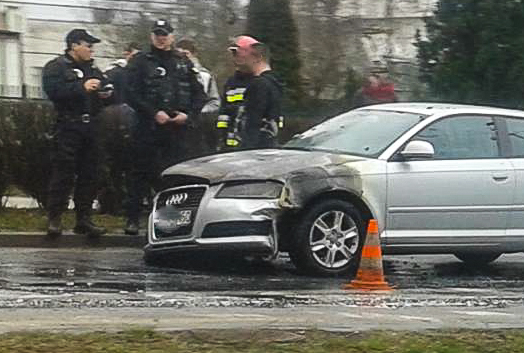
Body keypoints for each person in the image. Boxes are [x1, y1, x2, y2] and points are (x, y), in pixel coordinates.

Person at [124, 19, 204, 235]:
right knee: (139, 175)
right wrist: (152, 113)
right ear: (152, 36)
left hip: (176, 131)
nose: (161, 38)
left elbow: (199, 94)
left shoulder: (183, 62)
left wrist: (188, 116)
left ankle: (171, 223)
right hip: (147, 128)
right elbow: (130, 93)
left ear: (172, 36)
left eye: (165, 34)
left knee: (173, 178)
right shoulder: (140, 61)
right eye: (158, 34)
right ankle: (132, 220)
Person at [43, 29, 114, 237]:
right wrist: (81, 88)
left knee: (90, 174)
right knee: (63, 173)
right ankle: (54, 218)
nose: (91, 50)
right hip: (68, 126)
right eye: (88, 45)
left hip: (91, 127)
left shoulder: (93, 69)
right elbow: (54, 92)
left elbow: (109, 90)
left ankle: (84, 219)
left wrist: (107, 93)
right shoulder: (56, 67)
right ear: (74, 45)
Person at [176, 38, 220, 156]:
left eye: (185, 53)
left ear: (193, 54)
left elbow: (215, 101)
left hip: (199, 124)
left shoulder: (205, 75)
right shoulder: (172, 73)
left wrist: (199, 111)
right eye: (179, 53)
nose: (183, 57)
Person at [215, 36, 257, 151]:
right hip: (230, 148)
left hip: (254, 148)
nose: (236, 57)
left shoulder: (262, 82)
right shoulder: (231, 82)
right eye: (234, 54)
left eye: (238, 53)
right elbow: (223, 113)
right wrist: (221, 138)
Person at [240, 41, 283, 149]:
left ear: (257, 57)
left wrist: (247, 147)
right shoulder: (275, 83)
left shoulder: (258, 85)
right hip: (270, 144)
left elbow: (253, 120)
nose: (243, 61)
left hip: (256, 149)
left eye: (247, 57)